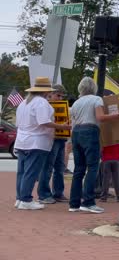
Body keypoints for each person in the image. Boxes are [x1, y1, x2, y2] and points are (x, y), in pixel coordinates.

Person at [68, 77, 119, 214]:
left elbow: (73, 122)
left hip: (76, 133)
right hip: (90, 131)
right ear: (94, 88)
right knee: (92, 167)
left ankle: (74, 203)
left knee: (78, 169)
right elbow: (100, 118)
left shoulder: (76, 103)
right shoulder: (96, 100)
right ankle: (88, 201)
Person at [14, 77, 71, 210]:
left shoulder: (24, 103)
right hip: (37, 142)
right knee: (31, 172)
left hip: (22, 140)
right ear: (46, 91)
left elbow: (19, 124)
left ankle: (20, 198)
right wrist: (62, 127)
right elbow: (44, 122)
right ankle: (26, 199)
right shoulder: (41, 103)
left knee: (22, 172)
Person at [37, 84, 70, 204]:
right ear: (51, 94)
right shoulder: (45, 106)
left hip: (61, 138)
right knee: (48, 167)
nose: (60, 98)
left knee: (59, 167)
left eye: (62, 96)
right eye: (58, 95)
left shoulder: (62, 106)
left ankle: (58, 193)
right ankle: (44, 194)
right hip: (51, 139)